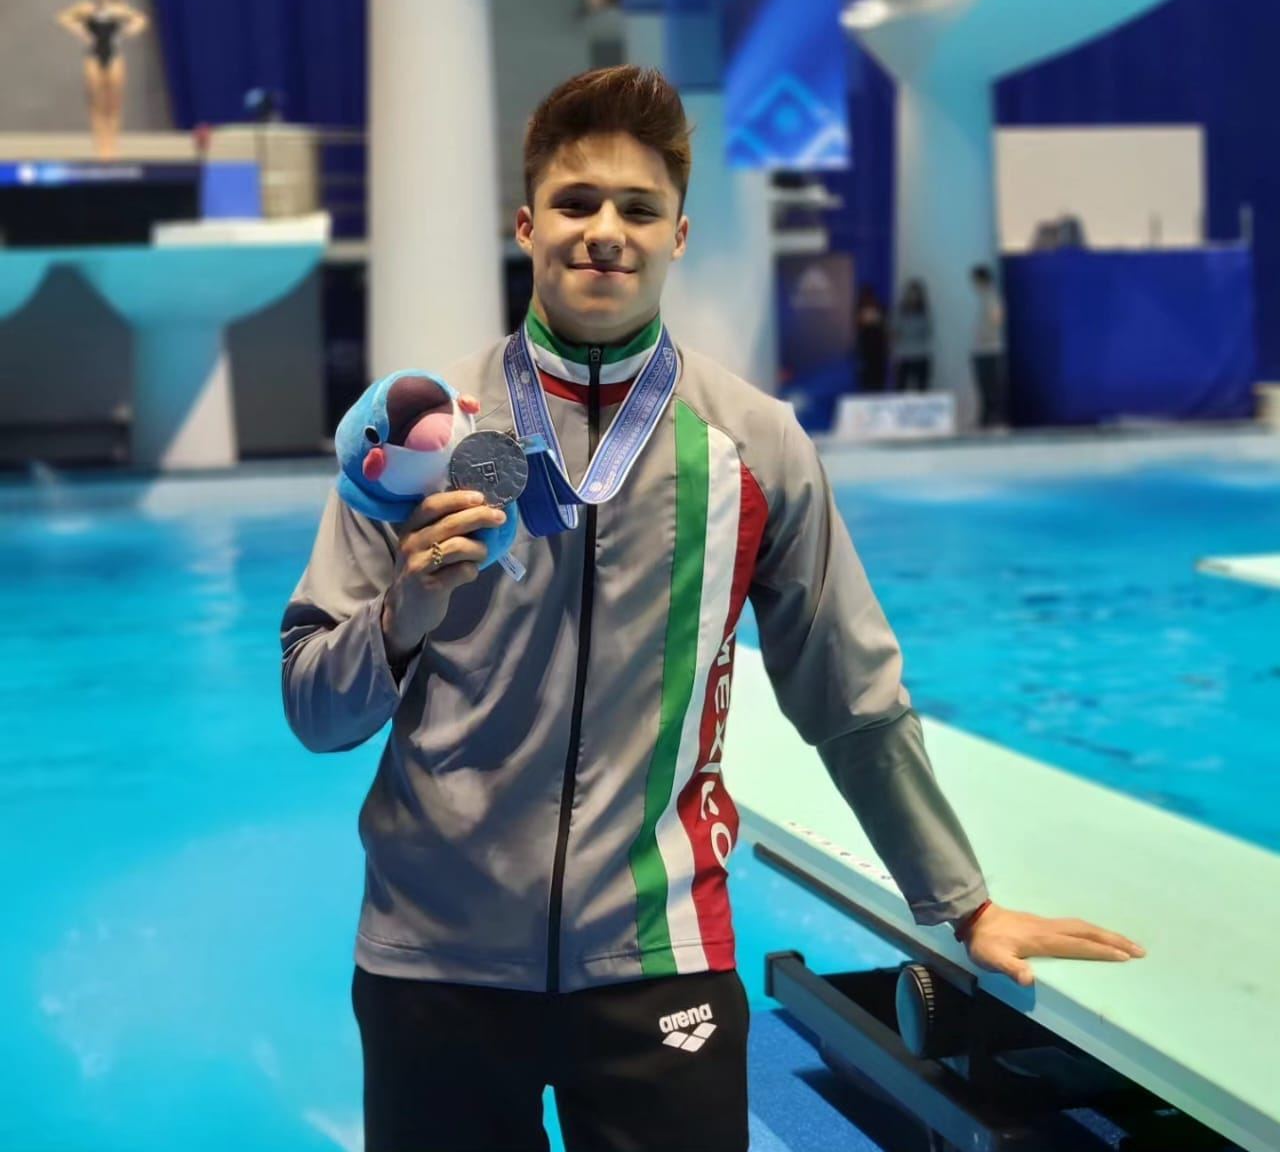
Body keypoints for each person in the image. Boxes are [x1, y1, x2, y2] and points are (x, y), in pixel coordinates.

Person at [282, 68, 1144, 1152]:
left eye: (637, 209)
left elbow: (850, 693)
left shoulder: (754, 444)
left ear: (678, 235)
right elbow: (313, 707)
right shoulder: (418, 433)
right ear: (526, 224)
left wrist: (961, 901)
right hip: (434, 957)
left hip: (660, 960)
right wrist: (404, 610)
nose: (605, 231)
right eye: (575, 202)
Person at [54, 0, 149, 159]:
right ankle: (100, 147)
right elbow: (63, 17)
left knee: (114, 104)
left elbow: (141, 19)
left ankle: (113, 146)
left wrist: (132, 30)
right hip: (93, 56)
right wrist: (79, 30)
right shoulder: (86, 8)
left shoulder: (118, 9)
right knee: (96, 104)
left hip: (114, 56)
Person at [971, 263, 1008, 429]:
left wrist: (986, 336)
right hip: (981, 348)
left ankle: (994, 417)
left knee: (991, 386)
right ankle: (985, 418)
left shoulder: (992, 297)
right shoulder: (982, 298)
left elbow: (997, 320)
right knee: (983, 386)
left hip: (990, 349)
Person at [893, 277, 932, 391]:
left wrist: (906, 332)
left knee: (922, 390)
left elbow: (927, 332)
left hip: (921, 355)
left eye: (916, 294)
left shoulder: (924, 312)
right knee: (900, 389)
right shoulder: (899, 311)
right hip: (903, 355)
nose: (913, 296)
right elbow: (894, 332)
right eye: (910, 293)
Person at [855, 282, 888, 393]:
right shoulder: (858, 310)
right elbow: (858, 326)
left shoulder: (880, 308)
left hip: (878, 348)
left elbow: (883, 325)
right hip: (865, 348)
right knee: (866, 377)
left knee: (878, 377)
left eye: (869, 296)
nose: (868, 299)